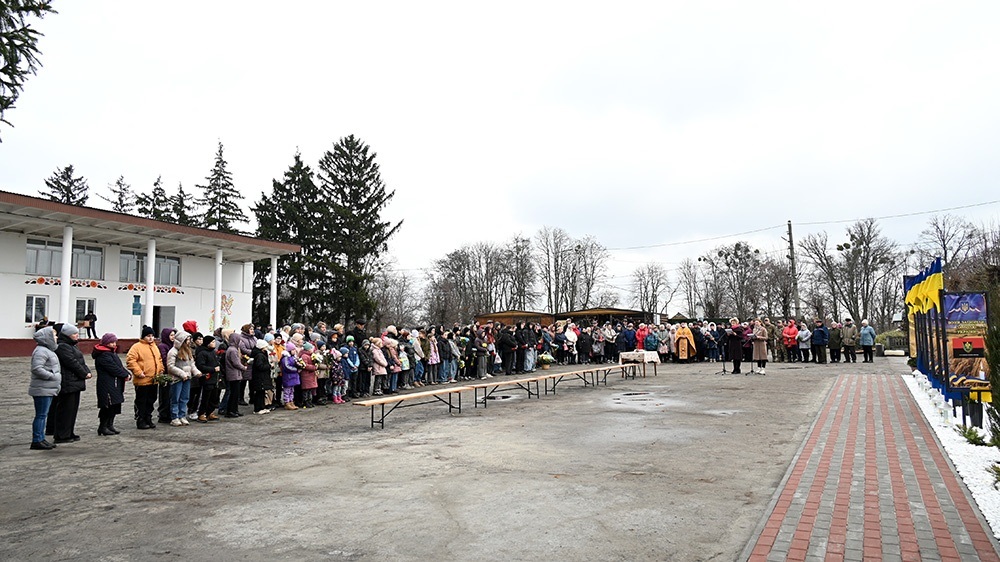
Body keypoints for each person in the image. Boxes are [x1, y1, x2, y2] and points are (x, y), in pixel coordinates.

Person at [52, 323, 91, 443]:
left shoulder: (73, 346)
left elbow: (81, 361)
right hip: (68, 381)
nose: (77, 335)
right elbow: (71, 362)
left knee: (72, 409)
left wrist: (87, 370)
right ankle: (62, 434)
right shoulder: (63, 346)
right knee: (65, 409)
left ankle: (69, 432)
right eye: (74, 333)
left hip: (75, 381)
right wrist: (83, 373)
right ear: (68, 335)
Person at [29, 325, 61, 450]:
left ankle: (41, 438)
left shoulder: (47, 350)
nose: (56, 337)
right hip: (42, 388)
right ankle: (37, 439)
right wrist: (52, 376)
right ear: (48, 337)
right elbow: (37, 369)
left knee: (44, 414)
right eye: (54, 335)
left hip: (48, 388)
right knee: (41, 415)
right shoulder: (41, 351)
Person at [126, 325, 164, 429]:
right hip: (142, 379)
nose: (151, 338)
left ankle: (148, 418)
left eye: (152, 336)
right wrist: (138, 372)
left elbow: (159, 360)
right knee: (141, 401)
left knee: (151, 400)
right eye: (148, 336)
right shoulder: (136, 347)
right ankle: (140, 419)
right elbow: (131, 360)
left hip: (154, 379)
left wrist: (160, 370)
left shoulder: (155, 347)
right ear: (143, 336)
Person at [93, 333, 130, 436]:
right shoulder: (103, 355)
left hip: (115, 383)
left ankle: (110, 425)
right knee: (107, 405)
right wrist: (124, 375)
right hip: (107, 384)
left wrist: (127, 373)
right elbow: (113, 368)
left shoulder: (111, 353)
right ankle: (103, 426)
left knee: (114, 404)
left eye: (114, 342)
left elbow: (119, 366)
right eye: (111, 342)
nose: (114, 344)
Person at [166, 330, 198, 426]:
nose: (189, 342)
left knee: (185, 398)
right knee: (175, 398)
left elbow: (192, 364)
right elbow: (170, 366)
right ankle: (174, 417)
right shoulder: (173, 352)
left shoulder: (188, 351)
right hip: (177, 378)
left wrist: (196, 372)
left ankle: (182, 415)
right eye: (187, 340)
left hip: (187, 378)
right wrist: (182, 374)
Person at [194, 335, 222, 422]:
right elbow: (200, 366)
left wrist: (219, 375)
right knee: (206, 397)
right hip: (207, 378)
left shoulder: (213, 352)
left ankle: (210, 412)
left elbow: (217, 364)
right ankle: (201, 413)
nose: (214, 344)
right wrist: (212, 369)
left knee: (214, 397)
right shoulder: (202, 353)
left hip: (215, 378)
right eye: (212, 342)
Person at [249, 338, 273, 414]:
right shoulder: (259, 355)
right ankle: (258, 408)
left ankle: (262, 407)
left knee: (262, 393)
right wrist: (269, 366)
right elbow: (260, 366)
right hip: (260, 377)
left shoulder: (261, 354)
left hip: (262, 377)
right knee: (259, 393)